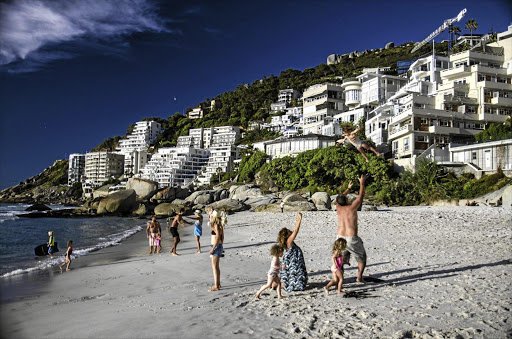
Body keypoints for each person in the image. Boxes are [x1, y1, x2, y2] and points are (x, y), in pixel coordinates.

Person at [336, 174, 367, 283]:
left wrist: (348, 188)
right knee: (362, 257)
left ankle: (340, 279)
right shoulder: (351, 208)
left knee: (340, 259)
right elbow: (360, 197)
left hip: (339, 237)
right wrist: (361, 183)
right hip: (351, 237)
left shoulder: (338, 207)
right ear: (346, 200)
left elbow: (340, 198)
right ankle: (359, 277)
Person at [277, 212, 308, 291]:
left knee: (291, 274)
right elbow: (296, 230)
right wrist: (299, 219)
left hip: (292, 260)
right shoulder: (289, 241)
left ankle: (276, 284)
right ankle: (276, 284)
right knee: (295, 273)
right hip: (293, 261)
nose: (291, 231)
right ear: (287, 235)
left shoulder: (287, 242)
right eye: (288, 231)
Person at [209, 214, 224, 291]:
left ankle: (216, 285)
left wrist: (213, 248)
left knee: (214, 267)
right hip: (219, 245)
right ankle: (218, 283)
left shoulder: (216, 225)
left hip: (216, 246)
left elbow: (218, 237)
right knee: (216, 266)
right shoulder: (220, 225)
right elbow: (222, 237)